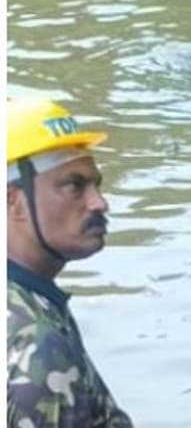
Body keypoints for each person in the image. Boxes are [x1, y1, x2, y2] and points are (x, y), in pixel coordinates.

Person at [7, 97, 133, 427]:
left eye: (96, 185)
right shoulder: (35, 341)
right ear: (14, 202)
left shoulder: (32, 303)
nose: (99, 203)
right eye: (74, 186)